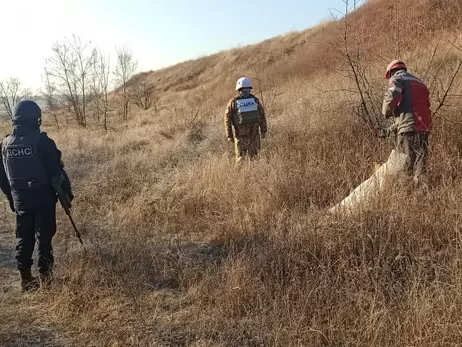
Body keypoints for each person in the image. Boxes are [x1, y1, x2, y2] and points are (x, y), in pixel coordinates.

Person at [0, 100, 73, 291]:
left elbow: (3, 177)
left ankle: (26, 279)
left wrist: (10, 197)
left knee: (24, 237)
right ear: (35, 119)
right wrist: (67, 194)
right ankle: (46, 280)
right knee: (44, 237)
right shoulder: (44, 142)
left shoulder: (5, 144)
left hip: (20, 199)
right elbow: (57, 173)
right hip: (43, 197)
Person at [380, 60, 433, 186]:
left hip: (408, 129)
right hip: (425, 127)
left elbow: (392, 97)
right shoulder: (420, 83)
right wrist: (390, 130)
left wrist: (386, 112)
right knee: (420, 163)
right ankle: (421, 192)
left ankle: (405, 193)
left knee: (405, 162)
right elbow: (414, 111)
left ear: (392, 71)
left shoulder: (398, 79)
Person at [224, 77, 267, 165]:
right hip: (242, 137)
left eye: (247, 90)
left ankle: (253, 177)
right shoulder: (235, 102)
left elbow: (262, 116)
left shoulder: (254, 100)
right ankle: (239, 178)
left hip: (254, 136)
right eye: (244, 90)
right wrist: (229, 135)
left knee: (254, 159)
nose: (246, 91)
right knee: (241, 160)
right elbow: (227, 119)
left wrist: (263, 130)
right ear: (239, 90)